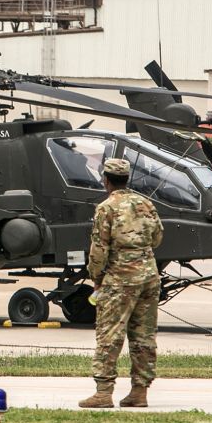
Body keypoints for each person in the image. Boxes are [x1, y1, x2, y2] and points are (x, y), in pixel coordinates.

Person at [78, 157, 163, 409]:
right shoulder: (145, 203)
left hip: (121, 278)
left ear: (106, 180)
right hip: (149, 275)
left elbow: (99, 249)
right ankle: (140, 391)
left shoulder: (106, 207)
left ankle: (103, 392)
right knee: (144, 336)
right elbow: (157, 237)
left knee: (109, 335)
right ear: (127, 178)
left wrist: (96, 277)